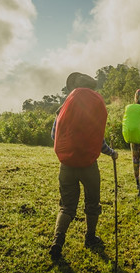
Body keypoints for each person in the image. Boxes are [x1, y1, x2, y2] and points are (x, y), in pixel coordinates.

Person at [49, 72, 118, 259]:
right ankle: (90, 237)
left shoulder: (65, 106)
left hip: (67, 166)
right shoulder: (96, 103)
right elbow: (99, 140)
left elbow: (54, 136)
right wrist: (112, 153)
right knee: (92, 202)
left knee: (66, 207)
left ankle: (58, 241)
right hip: (89, 165)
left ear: (74, 87)